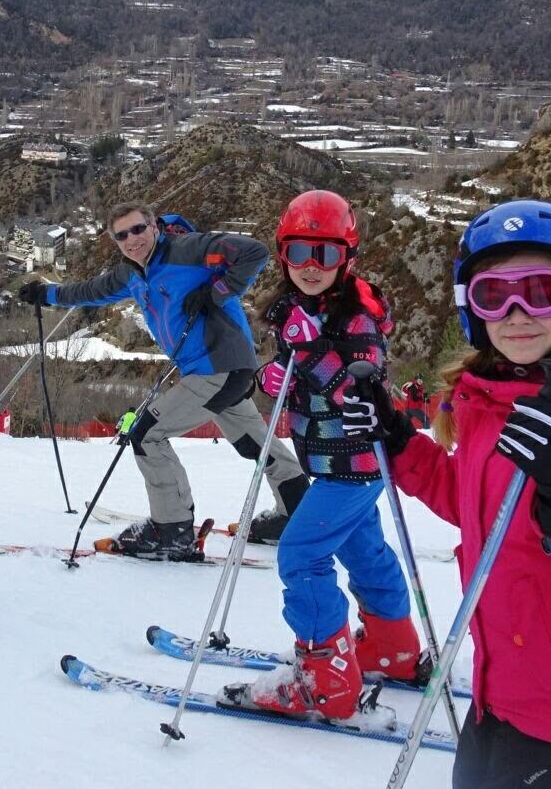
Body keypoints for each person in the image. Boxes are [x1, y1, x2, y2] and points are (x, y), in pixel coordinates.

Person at [348, 199, 551, 788]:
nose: (517, 313)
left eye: (542, 291)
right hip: (506, 692)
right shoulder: (490, 403)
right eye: (494, 295)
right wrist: (398, 439)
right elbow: (473, 507)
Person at [224, 190, 424, 721]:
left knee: (300, 555)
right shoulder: (297, 309)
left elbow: (361, 389)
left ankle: (326, 682)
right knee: (363, 550)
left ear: (348, 258)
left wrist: (309, 354)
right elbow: (303, 383)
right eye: (299, 253)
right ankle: (392, 648)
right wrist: (279, 380)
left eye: (327, 255)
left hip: (356, 463)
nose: (312, 267)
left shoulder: (359, 319)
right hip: (331, 464)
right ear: (283, 253)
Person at [17, 201, 308, 559]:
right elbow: (91, 291)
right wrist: (45, 294)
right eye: (122, 235)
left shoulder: (187, 249)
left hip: (214, 368)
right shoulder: (133, 275)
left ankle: (171, 530)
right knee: (254, 441)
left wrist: (217, 293)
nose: (132, 239)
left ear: (154, 226)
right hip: (221, 370)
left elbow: (254, 252)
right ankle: (296, 513)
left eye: (138, 229)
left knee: (146, 433)